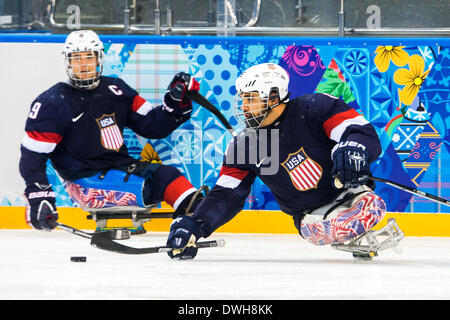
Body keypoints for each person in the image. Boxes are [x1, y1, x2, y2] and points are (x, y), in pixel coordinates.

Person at [166, 62, 387, 259]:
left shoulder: (315, 108)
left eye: (250, 98)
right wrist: (197, 224)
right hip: (309, 216)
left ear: (273, 98)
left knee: (371, 207)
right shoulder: (246, 145)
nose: (244, 106)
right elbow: (226, 194)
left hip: (351, 195)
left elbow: (360, 132)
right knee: (343, 224)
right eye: (243, 99)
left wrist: (354, 148)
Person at [20, 30, 202, 231]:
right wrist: (38, 195)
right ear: (68, 62)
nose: (84, 64)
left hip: (119, 168)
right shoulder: (52, 102)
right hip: (84, 181)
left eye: (89, 57)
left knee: (167, 176)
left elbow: (152, 125)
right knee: (157, 183)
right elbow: (32, 156)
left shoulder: (117, 89)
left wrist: (176, 102)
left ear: (100, 58)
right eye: (76, 58)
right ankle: (191, 224)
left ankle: (197, 222)